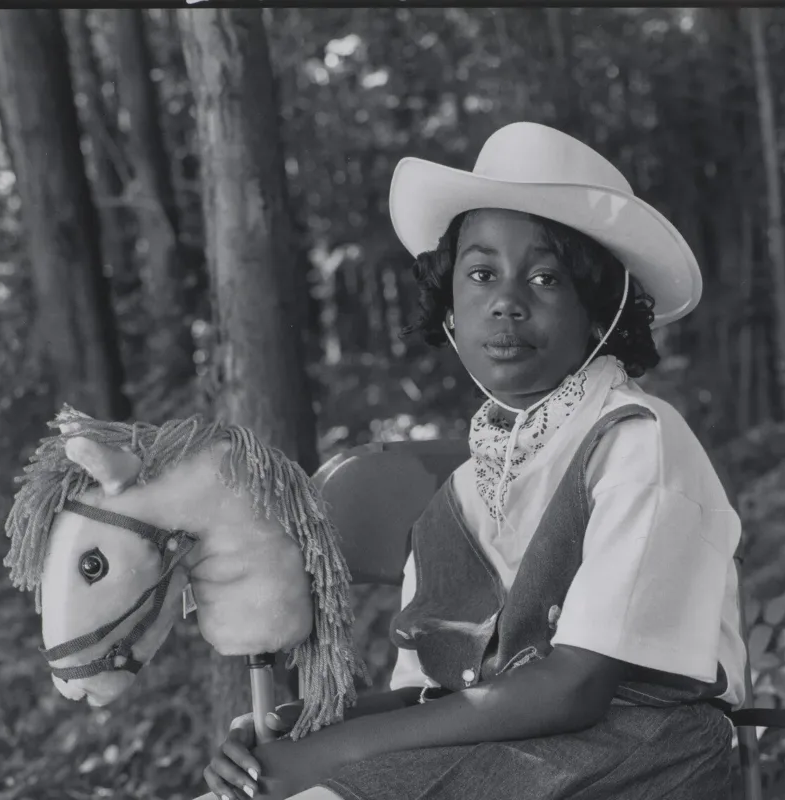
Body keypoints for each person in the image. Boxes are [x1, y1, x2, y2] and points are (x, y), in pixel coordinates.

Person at [202, 122, 747, 800]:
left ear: (599, 310)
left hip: (640, 759)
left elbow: (575, 687)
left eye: (546, 277)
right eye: (482, 273)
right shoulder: (460, 495)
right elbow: (432, 699)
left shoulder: (638, 441)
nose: (507, 302)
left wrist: (330, 756)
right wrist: (299, 729)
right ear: (451, 310)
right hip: (507, 750)